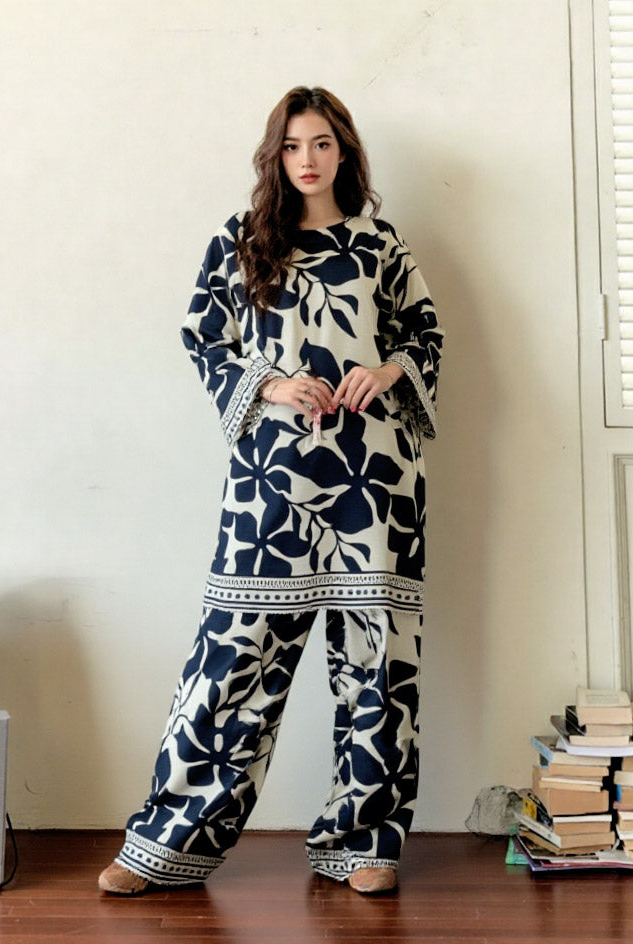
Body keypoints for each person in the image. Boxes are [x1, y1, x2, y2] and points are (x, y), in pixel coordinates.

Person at [99, 86, 443, 896]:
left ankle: (363, 847)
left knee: (378, 666)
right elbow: (202, 334)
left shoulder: (378, 244)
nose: (308, 159)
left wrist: (386, 369)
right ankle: (162, 844)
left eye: (322, 143)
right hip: (271, 482)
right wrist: (270, 384)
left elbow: (422, 333)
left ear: (345, 152)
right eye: (293, 146)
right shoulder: (242, 239)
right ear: (274, 157)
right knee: (233, 659)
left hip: (376, 477)